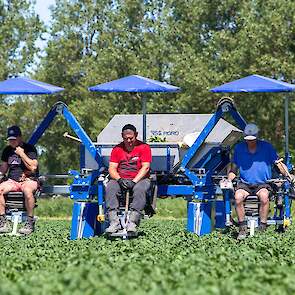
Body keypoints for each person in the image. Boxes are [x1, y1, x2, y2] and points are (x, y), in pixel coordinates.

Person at [226, 123, 290, 240]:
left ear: (257, 137)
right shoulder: (239, 148)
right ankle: (242, 227)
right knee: (238, 196)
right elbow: (234, 169)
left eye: (252, 139)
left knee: (264, 196)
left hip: (263, 183)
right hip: (245, 183)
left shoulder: (267, 147)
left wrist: (288, 175)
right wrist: (228, 180)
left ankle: (262, 226)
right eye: (248, 140)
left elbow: (278, 163)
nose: (250, 142)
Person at [105, 124, 152, 234]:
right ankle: (114, 223)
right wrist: (119, 180)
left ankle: (133, 222)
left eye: (131, 138)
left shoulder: (144, 148)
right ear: (122, 136)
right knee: (110, 188)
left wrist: (134, 181)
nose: (129, 140)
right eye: (126, 138)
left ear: (136, 135)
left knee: (140, 189)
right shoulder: (117, 149)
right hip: (120, 178)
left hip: (140, 179)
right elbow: (112, 168)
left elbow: (146, 167)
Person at [0, 125, 39, 235]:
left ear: (20, 137)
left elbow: (33, 167)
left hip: (28, 179)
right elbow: (3, 169)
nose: (11, 141)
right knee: (0, 189)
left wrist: (21, 154)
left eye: (14, 139)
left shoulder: (30, 149)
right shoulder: (7, 150)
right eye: (10, 139)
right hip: (12, 180)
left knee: (27, 190)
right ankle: (3, 222)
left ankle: (30, 222)